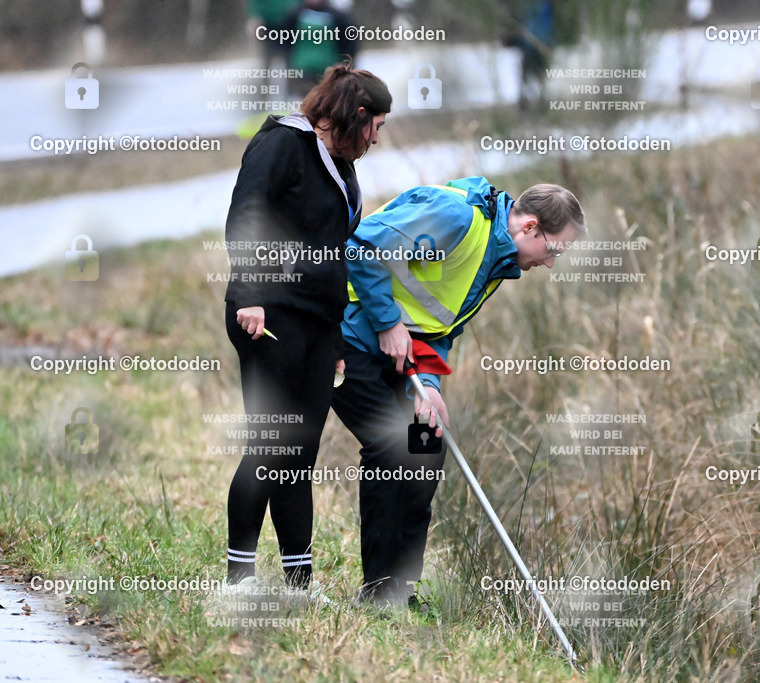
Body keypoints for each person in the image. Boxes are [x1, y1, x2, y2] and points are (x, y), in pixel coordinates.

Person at [332, 177, 586, 606]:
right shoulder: (456, 217)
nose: (550, 263)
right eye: (554, 249)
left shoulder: (496, 259)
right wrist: (388, 321)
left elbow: (438, 325)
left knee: (426, 444)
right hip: (345, 335)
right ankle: (377, 592)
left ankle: (402, 590)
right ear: (530, 228)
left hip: (398, 355)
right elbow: (360, 248)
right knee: (389, 445)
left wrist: (428, 387)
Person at [223, 64, 391, 590]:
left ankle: (299, 584)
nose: (377, 138)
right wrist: (250, 296)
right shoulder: (280, 143)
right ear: (355, 114)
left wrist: (337, 335)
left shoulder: (342, 166)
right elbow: (246, 215)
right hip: (267, 316)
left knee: (301, 454)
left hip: (320, 325)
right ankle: (239, 577)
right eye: (376, 126)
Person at [281, 0, 359, 98]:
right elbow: (284, 40)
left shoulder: (338, 17)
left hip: (330, 71)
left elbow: (349, 43)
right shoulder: (294, 16)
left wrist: (345, 64)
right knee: (308, 101)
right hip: (304, 70)